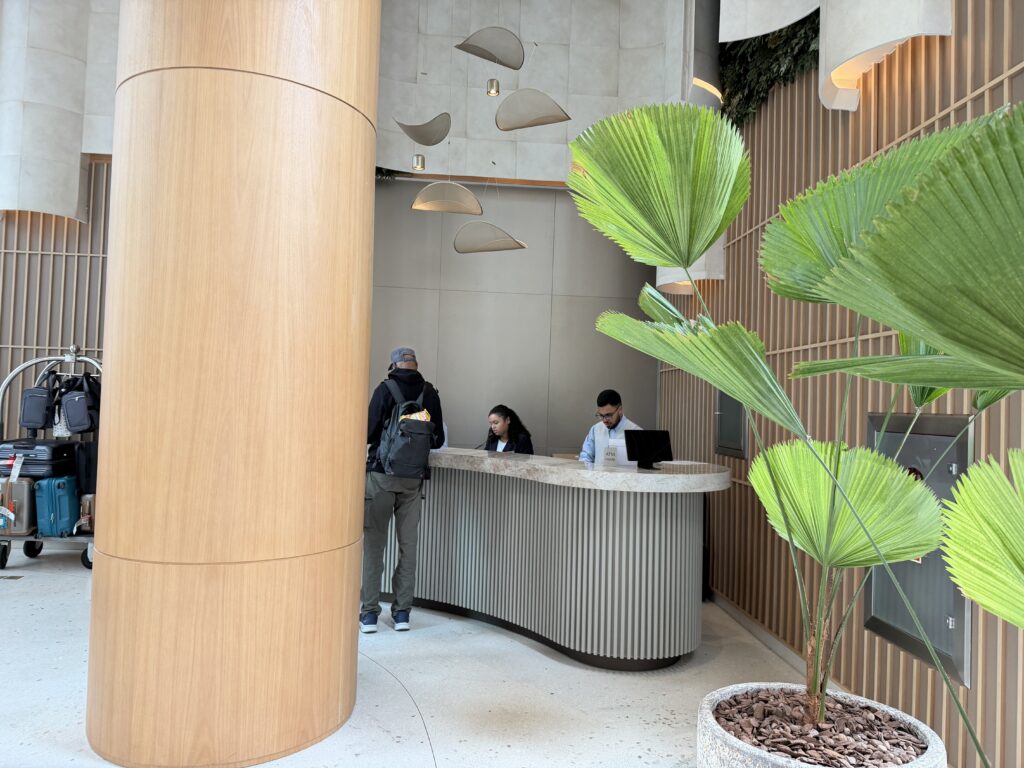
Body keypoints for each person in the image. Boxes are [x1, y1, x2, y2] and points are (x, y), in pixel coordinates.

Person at [360, 346, 444, 634]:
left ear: (393, 365)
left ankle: (370, 613)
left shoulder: (385, 389)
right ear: (416, 365)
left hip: (382, 476)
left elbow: (369, 433)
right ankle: (402, 613)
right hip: (413, 480)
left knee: (374, 545)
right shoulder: (429, 392)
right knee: (408, 548)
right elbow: (437, 439)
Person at [579, 389, 642, 464]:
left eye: (608, 415)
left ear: (620, 410)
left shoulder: (637, 433)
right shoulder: (595, 430)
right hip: (598, 475)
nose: (604, 420)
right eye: (601, 415)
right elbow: (585, 458)